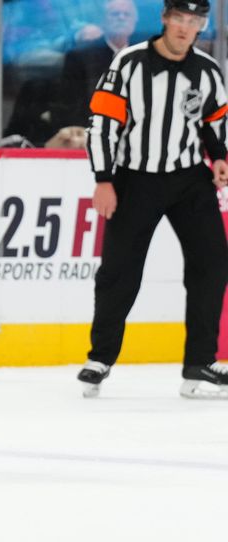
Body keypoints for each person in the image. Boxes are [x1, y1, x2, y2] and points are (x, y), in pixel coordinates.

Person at [78, 0, 228, 399]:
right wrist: (104, 180)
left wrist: (220, 160)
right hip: (134, 178)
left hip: (189, 179)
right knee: (119, 270)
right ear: (164, 19)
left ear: (202, 26)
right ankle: (101, 358)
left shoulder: (208, 70)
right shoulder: (129, 63)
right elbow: (102, 124)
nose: (185, 27)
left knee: (212, 263)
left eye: (194, 21)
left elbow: (214, 124)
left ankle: (199, 363)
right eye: (179, 18)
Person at [47, 0, 138, 148]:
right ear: (103, 20)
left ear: (135, 20)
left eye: (126, 14)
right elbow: (70, 108)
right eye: (115, 14)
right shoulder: (80, 57)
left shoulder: (147, 56)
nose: (121, 18)